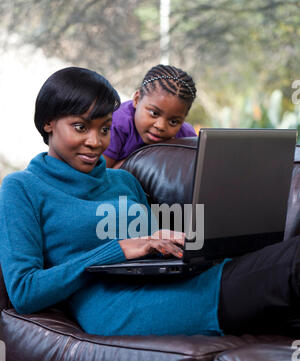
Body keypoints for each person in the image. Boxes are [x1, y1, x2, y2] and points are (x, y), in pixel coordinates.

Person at [0, 66, 300, 338]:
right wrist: (117, 249)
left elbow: (156, 246)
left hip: (174, 281)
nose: (95, 142)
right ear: (49, 122)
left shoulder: (124, 180)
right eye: (81, 127)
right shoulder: (22, 187)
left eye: (104, 129)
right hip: (117, 307)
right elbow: (24, 291)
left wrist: (193, 247)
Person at [103, 64, 197, 169]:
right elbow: (101, 174)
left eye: (173, 122)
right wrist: (139, 161)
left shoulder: (186, 136)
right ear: (137, 99)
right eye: (154, 113)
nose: (161, 126)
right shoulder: (116, 123)